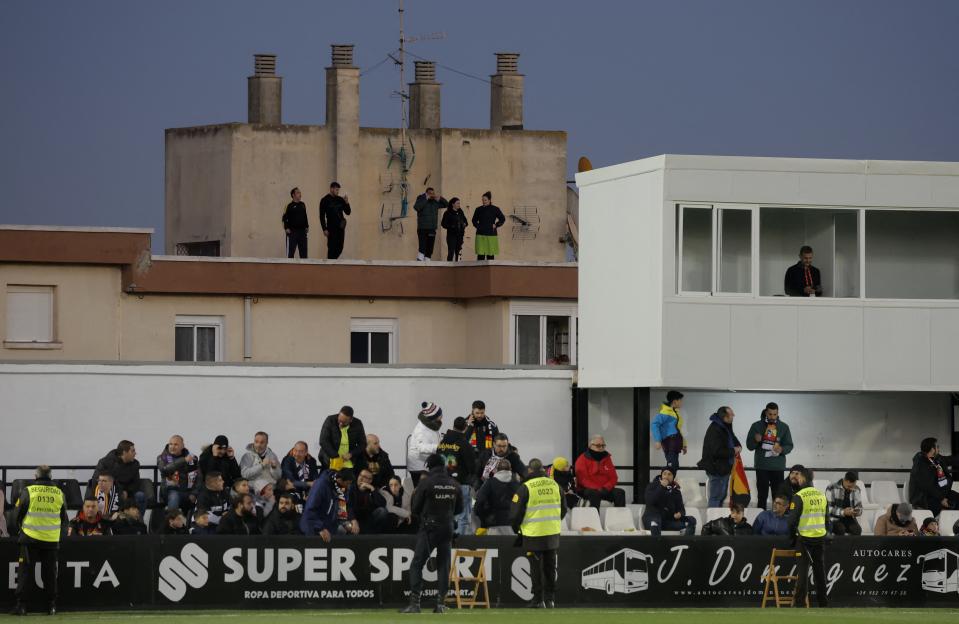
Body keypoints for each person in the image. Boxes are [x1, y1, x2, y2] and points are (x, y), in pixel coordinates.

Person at [400, 454, 463, 614]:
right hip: (448, 528)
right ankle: (440, 604)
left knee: (416, 564)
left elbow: (415, 509)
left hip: (429, 528)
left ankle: (415, 604)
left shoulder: (426, 483)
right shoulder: (454, 484)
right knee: (443, 565)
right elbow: (460, 509)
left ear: (430, 466)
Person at [12, 466, 68, 616]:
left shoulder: (29, 491)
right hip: (51, 540)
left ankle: (22, 606)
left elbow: (16, 514)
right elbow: (63, 519)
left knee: (25, 572)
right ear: (50, 477)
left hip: (29, 538)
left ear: (35, 476)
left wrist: (20, 531)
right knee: (50, 573)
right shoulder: (59, 493)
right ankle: (52, 606)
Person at [511, 459, 565, 609]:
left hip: (533, 533)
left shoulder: (526, 487)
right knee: (550, 567)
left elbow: (515, 513)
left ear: (530, 470)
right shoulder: (555, 485)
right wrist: (554, 522)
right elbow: (564, 509)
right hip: (552, 533)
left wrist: (517, 528)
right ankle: (550, 600)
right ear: (543, 469)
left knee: (535, 567)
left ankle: (538, 600)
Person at [786, 467, 828, 608]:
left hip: (804, 538)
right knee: (819, 572)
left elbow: (791, 521)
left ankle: (800, 604)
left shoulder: (800, 496)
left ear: (803, 478)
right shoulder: (821, 495)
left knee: (803, 572)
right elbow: (827, 520)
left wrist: (792, 538)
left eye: (799, 477)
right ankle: (823, 604)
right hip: (820, 537)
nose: (797, 478)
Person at [745, 402, 794, 509]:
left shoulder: (784, 427)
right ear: (766, 412)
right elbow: (749, 446)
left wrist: (781, 449)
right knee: (762, 495)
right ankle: (762, 520)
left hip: (777, 467)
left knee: (778, 496)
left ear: (778, 413)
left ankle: (776, 520)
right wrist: (755, 440)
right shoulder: (756, 426)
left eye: (774, 414)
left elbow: (789, 445)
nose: (772, 417)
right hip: (762, 466)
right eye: (770, 414)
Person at [437, 416, 477, 536]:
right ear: (465, 428)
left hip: (442, 485)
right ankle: (459, 548)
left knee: (446, 517)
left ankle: (447, 545)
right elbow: (472, 467)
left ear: (453, 426)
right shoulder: (464, 444)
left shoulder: (442, 443)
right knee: (463, 518)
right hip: (461, 485)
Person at [698, 406, 742, 508]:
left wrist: (739, 446)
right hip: (717, 469)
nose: (734, 415)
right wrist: (733, 450)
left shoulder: (725, 427)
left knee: (721, 496)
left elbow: (734, 439)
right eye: (731, 414)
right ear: (725, 417)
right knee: (715, 497)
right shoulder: (715, 429)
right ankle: (712, 522)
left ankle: (717, 520)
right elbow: (717, 451)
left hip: (724, 468)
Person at [300, 468, 357, 540]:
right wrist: (320, 528)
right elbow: (310, 509)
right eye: (347, 483)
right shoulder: (321, 485)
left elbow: (342, 507)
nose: (348, 486)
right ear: (340, 480)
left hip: (328, 528)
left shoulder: (340, 488)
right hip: (313, 528)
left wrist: (346, 522)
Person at [93, 440, 146, 517]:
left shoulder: (135, 464)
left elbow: (136, 483)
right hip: (110, 492)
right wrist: (120, 491)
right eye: (132, 451)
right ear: (124, 452)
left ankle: (137, 522)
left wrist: (127, 492)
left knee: (140, 495)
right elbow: (97, 480)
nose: (135, 453)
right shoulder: (105, 462)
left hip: (127, 494)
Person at [909, 437, 959, 517]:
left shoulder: (935, 459)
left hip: (938, 493)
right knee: (951, 504)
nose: (939, 449)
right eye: (937, 447)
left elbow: (949, 460)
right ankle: (943, 523)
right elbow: (928, 486)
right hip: (924, 498)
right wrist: (941, 498)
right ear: (932, 449)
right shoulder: (920, 464)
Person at [575, 435, 626, 509]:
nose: (601, 448)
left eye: (603, 445)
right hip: (588, 489)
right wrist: (598, 488)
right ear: (590, 446)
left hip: (605, 489)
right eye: (598, 446)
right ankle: (595, 518)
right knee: (594, 494)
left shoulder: (607, 458)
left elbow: (613, 477)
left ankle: (619, 518)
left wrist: (606, 488)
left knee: (620, 493)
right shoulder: (582, 459)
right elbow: (583, 479)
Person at [642, 468, 696, 536]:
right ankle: (656, 545)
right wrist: (662, 487)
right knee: (655, 522)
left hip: (667, 521)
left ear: (673, 477)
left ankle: (687, 543)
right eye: (664, 474)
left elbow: (682, 509)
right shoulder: (652, 485)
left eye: (669, 474)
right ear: (661, 475)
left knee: (691, 520)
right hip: (652, 518)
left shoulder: (676, 491)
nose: (666, 476)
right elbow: (650, 501)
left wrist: (680, 514)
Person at [474, 459, 519, 535]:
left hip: (493, 523)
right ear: (510, 469)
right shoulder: (516, 484)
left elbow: (479, 501)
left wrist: (482, 517)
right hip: (512, 525)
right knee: (509, 546)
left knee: (494, 546)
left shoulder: (489, 483)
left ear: (496, 470)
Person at [157, 435, 197, 512]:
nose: (172, 447)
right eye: (170, 444)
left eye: (176, 444)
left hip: (187, 491)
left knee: (202, 496)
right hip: (169, 491)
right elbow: (164, 469)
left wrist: (194, 493)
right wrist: (183, 460)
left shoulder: (191, 458)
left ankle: (193, 523)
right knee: (174, 496)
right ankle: (171, 522)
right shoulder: (162, 457)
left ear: (182, 446)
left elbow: (198, 477)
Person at [319, 406, 366, 471]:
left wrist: (351, 454)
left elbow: (363, 444)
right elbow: (323, 440)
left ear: (351, 420)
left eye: (344, 422)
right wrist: (336, 456)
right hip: (330, 460)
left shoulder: (358, 423)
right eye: (339, 420)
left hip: (349, 463)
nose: (340, 424)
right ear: (339, 414)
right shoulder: (330, 420)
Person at [407, 401, 444, 485]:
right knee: (421, 491)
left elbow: (435, 438)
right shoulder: (421, 430)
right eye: (440, 414)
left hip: (426, 464)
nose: (442, 416)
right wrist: (438, 447)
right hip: (418, 466)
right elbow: (421, 447)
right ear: (433, 416)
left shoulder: (434, 424)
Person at [652, 390, 687, 473]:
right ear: (675, 402)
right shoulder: (665, 413)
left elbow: (678, 430)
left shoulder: (675, 413)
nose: (682, 402)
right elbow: (654, 424)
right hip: (670, 442)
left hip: (675, 442)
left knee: (674, 465)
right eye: (680, 400)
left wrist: (684, 445)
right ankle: (667, 483)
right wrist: (657, 440)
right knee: (672, 466)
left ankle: (670, 484)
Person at [240, 431, 282, 496]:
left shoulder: (272, 455)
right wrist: (262, 465)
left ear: (267, 443)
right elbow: (244, 475)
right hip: (254, 489)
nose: (258, 445)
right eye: (256, 442)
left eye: (262, 442)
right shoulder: (247, 456)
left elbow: (278, 477)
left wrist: (274, 468)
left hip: (271, 490)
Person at [351, 469, 390, 534]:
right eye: (360, 475)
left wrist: (372, 489)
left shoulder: (371, 490)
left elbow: (383, 503)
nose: (361, 478)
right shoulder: (351, 488)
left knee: (383, 511)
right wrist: (353, 520)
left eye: (365, 477)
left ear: (370, 480)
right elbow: (348, 506)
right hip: (354, 518)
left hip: (368, 519)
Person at [413, 187, 447, 261]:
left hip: (432, 228)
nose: (432, 195)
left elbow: (447, 204)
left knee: (430, 247)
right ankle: (420, 261)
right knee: (422, 246)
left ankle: (427, 260)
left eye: (433, 193)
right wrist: (426, 199)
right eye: (430, 193)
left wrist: (440, 198)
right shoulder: (421, 198)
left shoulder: (435, 202)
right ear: (426, 193)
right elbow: (416, 207)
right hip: (422, 228)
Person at [824, 471, 863, 536]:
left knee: (857, 530)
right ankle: (840, 546)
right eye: (849, 486)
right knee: (840, 529)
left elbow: (859, 506)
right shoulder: (831, 488)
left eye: (853, 486)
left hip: (850, 518)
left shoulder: (856, 489)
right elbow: (828, 508)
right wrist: (843, 512)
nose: (851, 489)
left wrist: (857, 511)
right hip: (834, 518)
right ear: (845, 481)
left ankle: (852, 546)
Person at [319, 181, 351, 259]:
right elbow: (322, 216)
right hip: (331, 228)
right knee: (332, 247)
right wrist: (324, 229)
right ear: (331, 189)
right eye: (336, 189)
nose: (337, 191)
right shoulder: (324, 200)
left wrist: (346, 202)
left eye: (338, 190)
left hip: (340, 227)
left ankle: (332, 261)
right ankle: (330, 265)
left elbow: (348, 212)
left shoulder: (340, 199)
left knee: (340, 247)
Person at [472, 191, 506, 260]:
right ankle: (480, 271)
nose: (483, 201)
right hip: (480, 235)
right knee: (480, 255)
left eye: (485, 200)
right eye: (482, 200)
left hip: (491, 234)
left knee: (490, 255)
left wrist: (496, 225)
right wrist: (478, 226)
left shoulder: (495, 209)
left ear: (489, 200)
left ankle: (490, 271)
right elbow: (474, 220)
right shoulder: (478, 209)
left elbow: (502, 219)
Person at [282, 186, 309, 258]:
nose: (300, 194)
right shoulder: (289, 206)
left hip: (302, 232)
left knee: (304, 254)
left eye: (300, 192)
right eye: (298, 192)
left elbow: (305, 216)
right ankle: (289, 269)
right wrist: (286, 228)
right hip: (292, 232)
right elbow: (284, 218)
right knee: (290, 254)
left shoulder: (303, 204)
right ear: (293, 195)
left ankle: (304, 269)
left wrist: (307, 226)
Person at [441, 197, 469, 261]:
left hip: (460, 235)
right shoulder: (448, 213)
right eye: (457, 203)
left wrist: (464, 224)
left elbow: (466, 222)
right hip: (451, 235)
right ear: (453, 204)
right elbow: (443, 224)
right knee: (451, 251)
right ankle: (449, 267)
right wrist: (451, 226)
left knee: (458, 252)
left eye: (459, 203)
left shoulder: (460, 212)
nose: (459, 205)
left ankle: (458, 266)